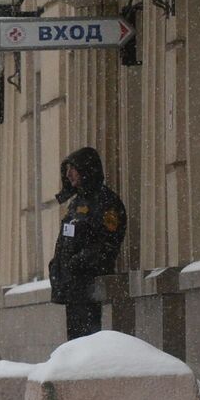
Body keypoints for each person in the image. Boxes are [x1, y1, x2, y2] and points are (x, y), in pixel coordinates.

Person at [48, 146, 127, 341]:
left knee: (90, 341)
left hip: (91, 286)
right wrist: (57, 266)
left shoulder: (105, 201)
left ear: (86, 169)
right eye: (67, 169)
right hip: (74, 288)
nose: (68, 174)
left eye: (72, 168)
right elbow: (67, 238)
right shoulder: (77, 203)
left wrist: (79, 262)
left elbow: (108, 242)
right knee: (76, 343)